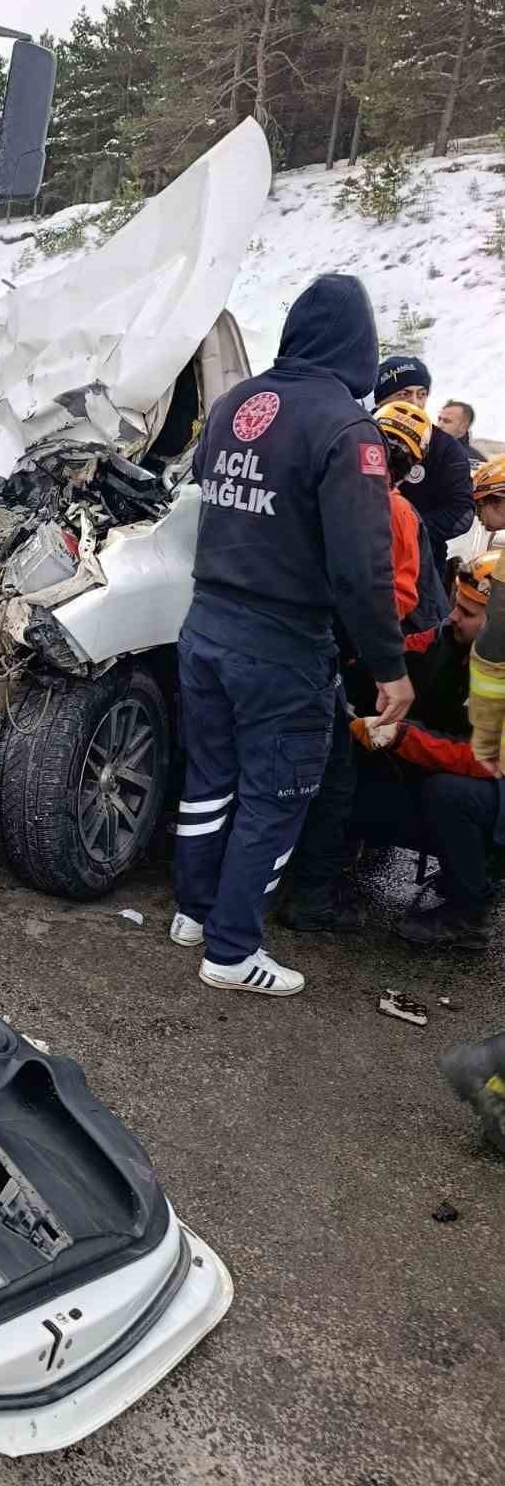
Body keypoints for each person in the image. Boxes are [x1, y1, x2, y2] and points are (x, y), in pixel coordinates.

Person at [169, 274, 411, 997]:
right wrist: (389, 667)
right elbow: (362, 569)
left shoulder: (237, 400)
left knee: (210, 779)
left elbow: (207, 493)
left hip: (205, 623)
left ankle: (193, 912)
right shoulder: (346, 428)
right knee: (279, 794)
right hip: (280, 641)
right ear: (359, 347)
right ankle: (232, 949)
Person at [279, 400, 447, 933]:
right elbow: (396, 598)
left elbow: (397, 596)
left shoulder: (338, 493)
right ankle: (312, 892)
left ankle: (305, 874)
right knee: (331, 776)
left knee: (309, 767)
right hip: (338, 654)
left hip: (319, 649)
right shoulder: (390, 510)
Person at [349, 552, 502, 946]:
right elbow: (409, 650)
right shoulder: (454, 639)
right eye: (455, 605)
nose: (452, 617)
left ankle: (470, 914)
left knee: (450, 794)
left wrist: (404, 738)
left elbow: (485, 760)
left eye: (467, 613)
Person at [374, 356, 473, 575]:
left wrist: (405, 529)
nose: (415, 403)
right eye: (404, 393)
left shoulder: (444, 447)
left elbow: (462, 512)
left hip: (421, 565)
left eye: (422, 394)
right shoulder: (357, 432)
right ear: (380, 399)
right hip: (357, 559)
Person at [437, 399, 484, 463]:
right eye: (439, 419)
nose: (439, 425)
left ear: (463, 428)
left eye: (447, 421)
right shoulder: (427, 449)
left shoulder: (472, 459)